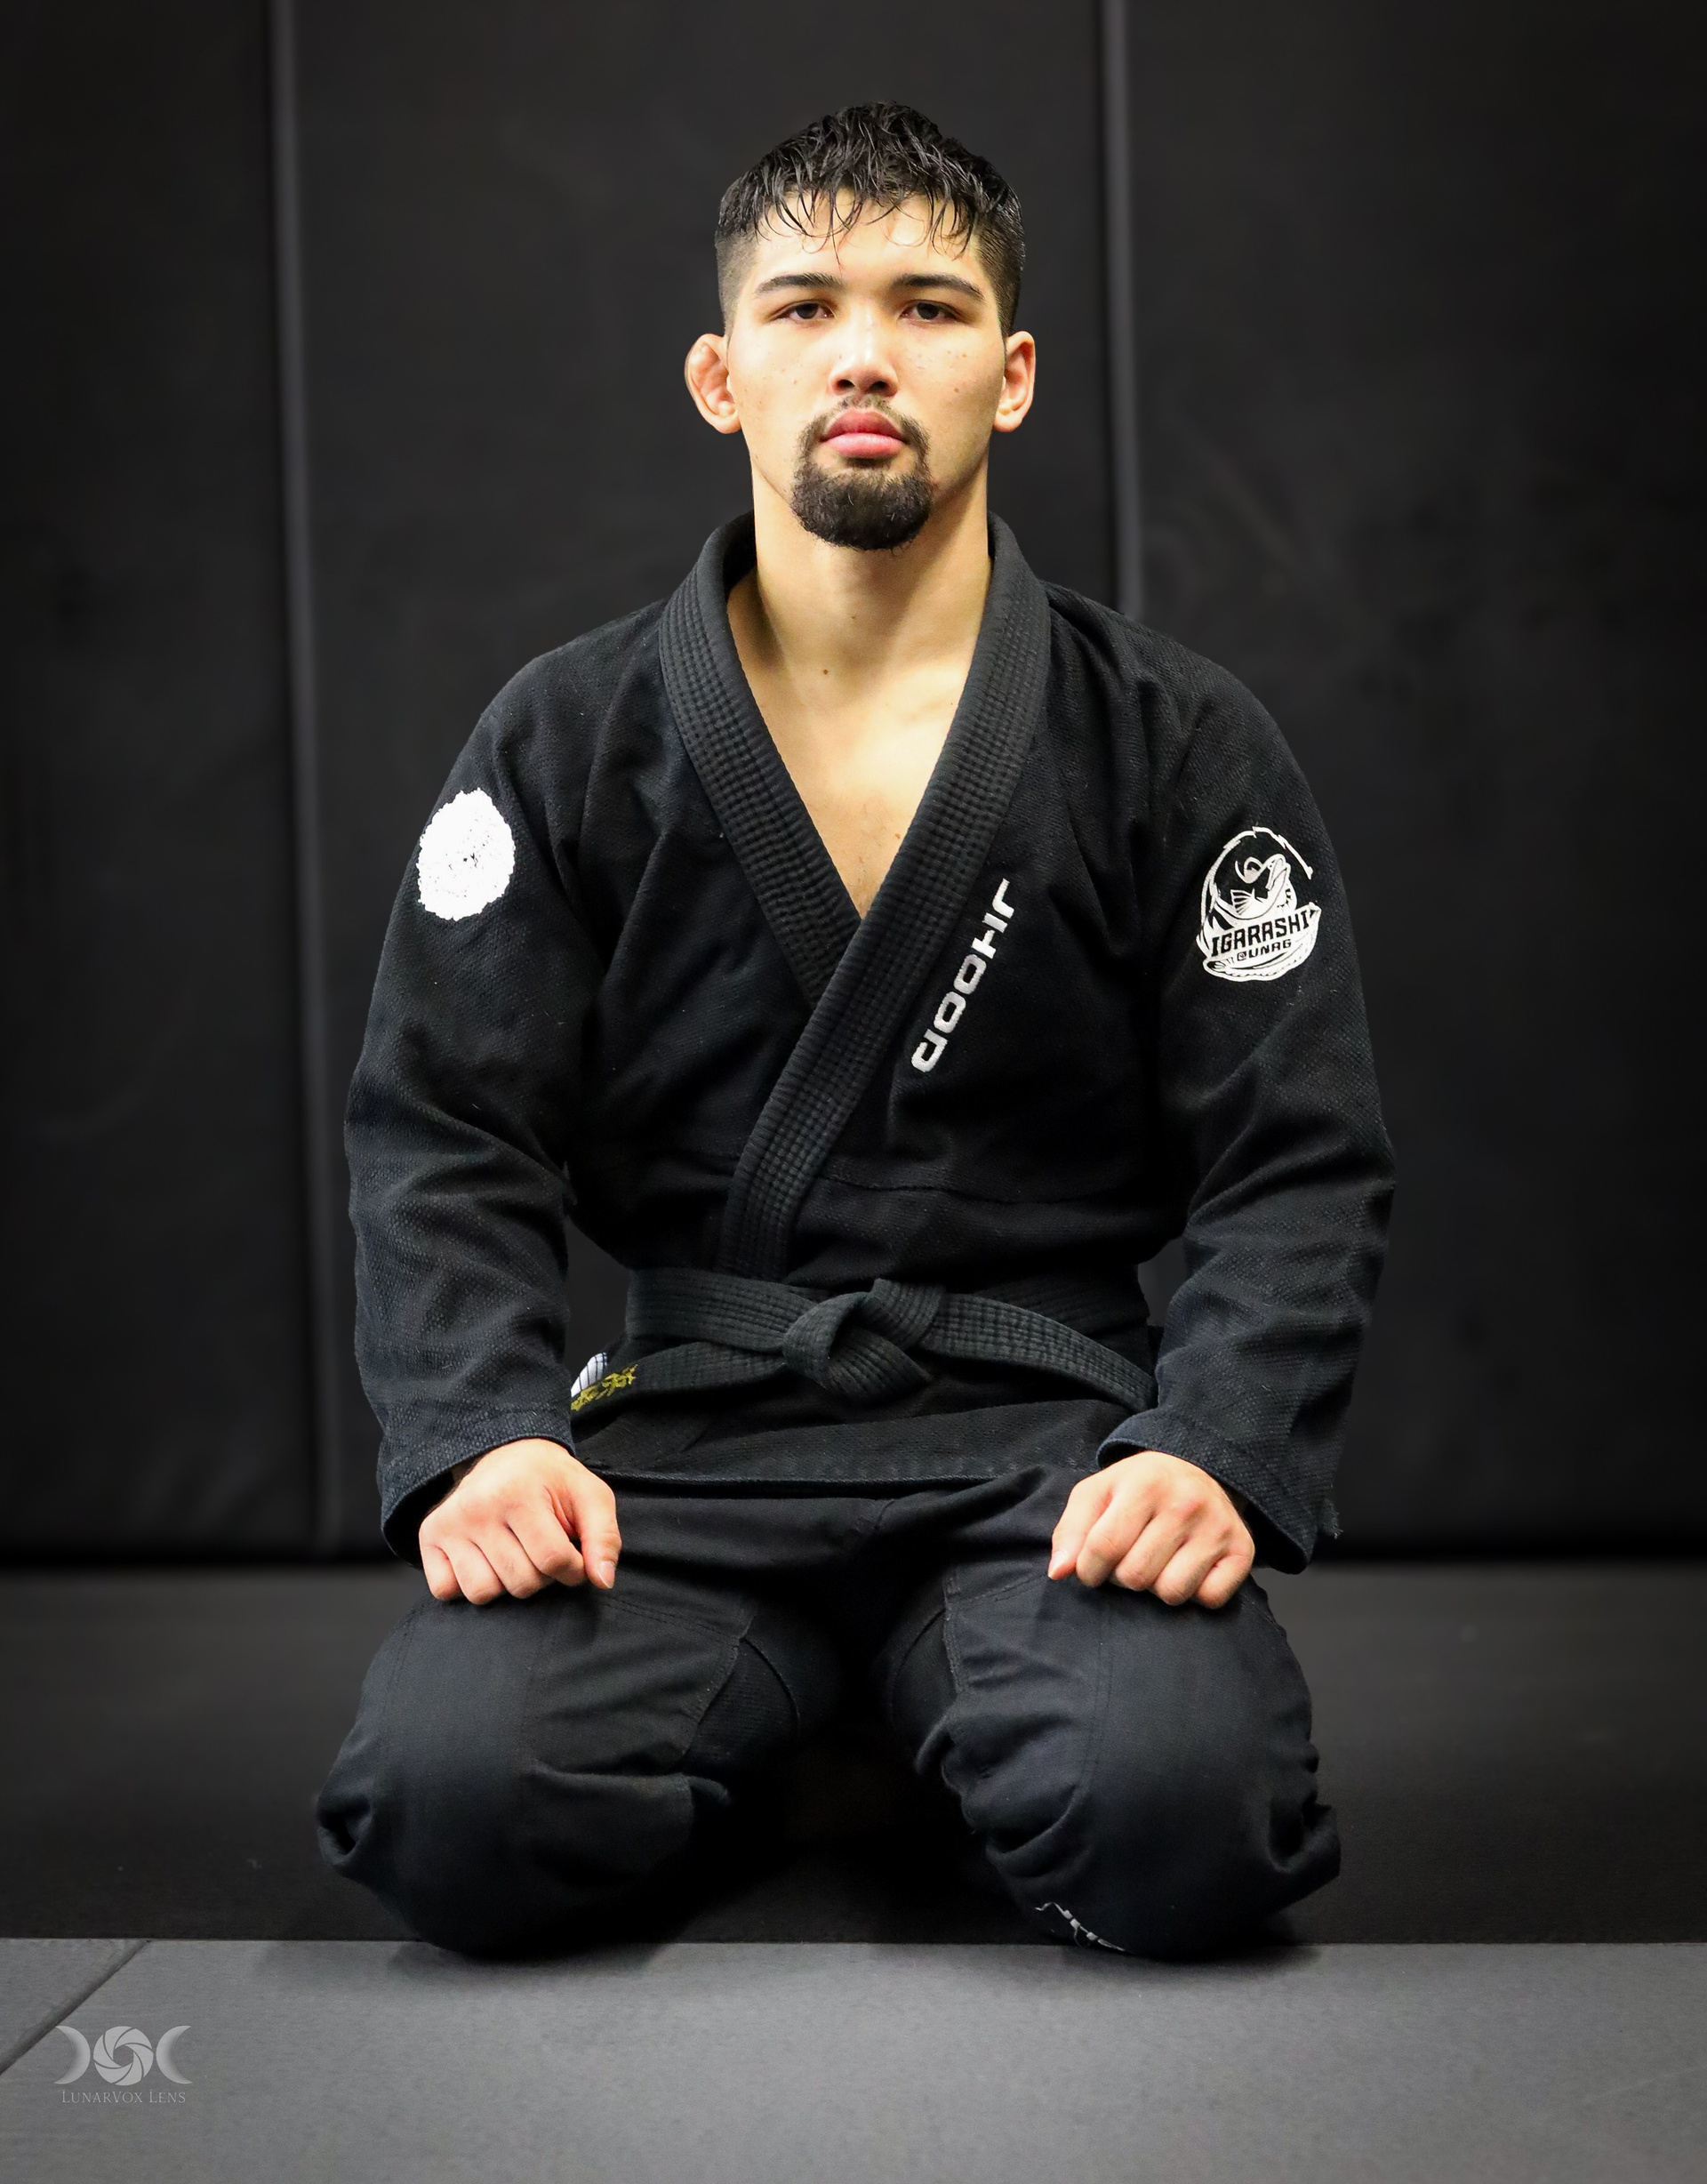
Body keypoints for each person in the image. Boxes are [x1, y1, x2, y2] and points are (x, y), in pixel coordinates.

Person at [315, 102, 1394, 1961]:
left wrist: (1213, 1444)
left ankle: (891, 1717)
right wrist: (484, 1433)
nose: (866, 355)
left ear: (1014, 374)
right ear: (720, 376)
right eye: (806, 307)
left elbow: (1295, 1154)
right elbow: (440, 1126)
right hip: (683, 1456)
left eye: (929, 306)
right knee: (449, 1809)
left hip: (1046, 1452)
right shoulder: (567, 738)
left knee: (1182, 1820)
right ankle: (853, 1730)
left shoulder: (1172, 738)